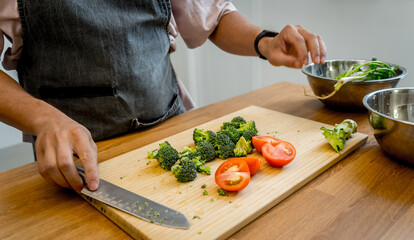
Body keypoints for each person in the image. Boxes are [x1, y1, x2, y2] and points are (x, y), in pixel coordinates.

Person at [0, 0, 326, 193]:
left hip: (169, 127)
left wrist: (264, 42)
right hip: (69, 163)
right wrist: (44, 119)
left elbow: (209, 16)